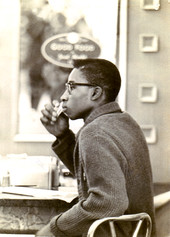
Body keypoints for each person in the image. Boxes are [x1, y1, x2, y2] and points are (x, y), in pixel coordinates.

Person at [37, 58, 156, 237]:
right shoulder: (124, 122)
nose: (63, 96)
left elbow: (108, 203)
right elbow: (95, 172)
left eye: (71, 87)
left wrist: (56, 228)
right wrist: (63, 135)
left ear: (95, 93)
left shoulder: (94, 132)